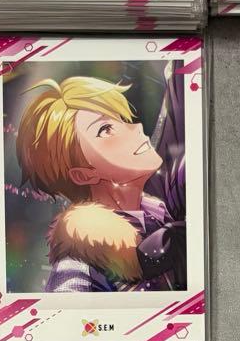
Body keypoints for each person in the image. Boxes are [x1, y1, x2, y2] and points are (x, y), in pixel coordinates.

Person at [15, 71, 185, 293]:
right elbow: (64, 311)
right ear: (84, 174)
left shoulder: (161, 211)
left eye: (121, 119)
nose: (136, 127)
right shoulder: (76, 268)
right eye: (105, 129)